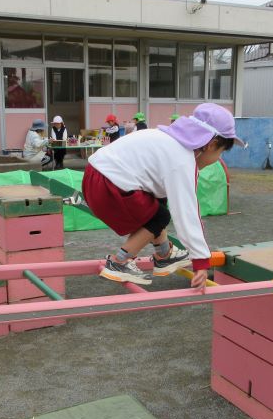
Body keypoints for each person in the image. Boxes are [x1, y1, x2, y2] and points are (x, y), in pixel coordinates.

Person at [82, 103, 246, 289]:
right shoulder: (182, 159)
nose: (219, 158)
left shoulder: (165, 139)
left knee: (158, 203)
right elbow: (187, 213)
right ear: (212, 144)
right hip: (109, 185)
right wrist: (201, 260)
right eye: (221, 152)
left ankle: (164, 254)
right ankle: (120, 262)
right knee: (160, 216)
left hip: (95, 177)